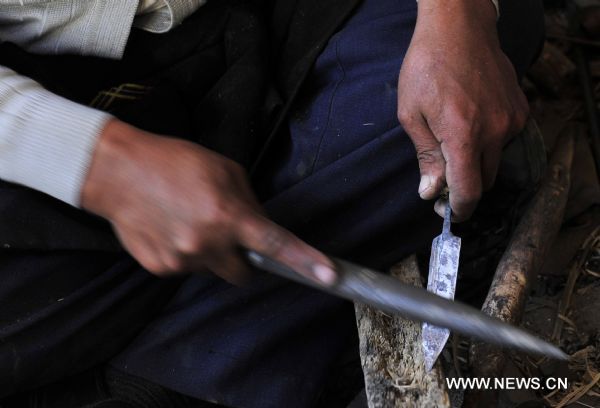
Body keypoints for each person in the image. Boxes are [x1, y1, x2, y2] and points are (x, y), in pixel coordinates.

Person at [0, 0, 544, 407]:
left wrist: (455, 13)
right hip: (31, 110)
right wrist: (95, 162)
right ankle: (216, 351)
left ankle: (173, 371)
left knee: (463, 65)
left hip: (260, 19)